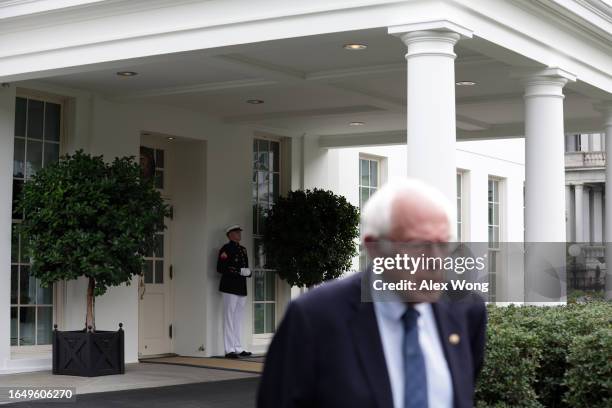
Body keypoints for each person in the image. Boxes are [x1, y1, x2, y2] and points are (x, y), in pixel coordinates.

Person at [257, 179, 487, 408]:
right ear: (374, 247)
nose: (436, 260)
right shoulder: (315, 317)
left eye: (444, 243)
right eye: (418, 244)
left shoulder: (467, 310)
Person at [217, 224, 252, 359]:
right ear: (230, 235)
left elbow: (245, 267)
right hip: (229, 287)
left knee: (238, 318)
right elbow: (220, 268)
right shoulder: (226, 249)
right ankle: (229, 349)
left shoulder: (243, 250)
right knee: (229, 318)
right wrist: (238, 271)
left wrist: (247, 272)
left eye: (239, 232)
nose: (239, 234)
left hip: (241, 287)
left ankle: (238, 347)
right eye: (237, 232)